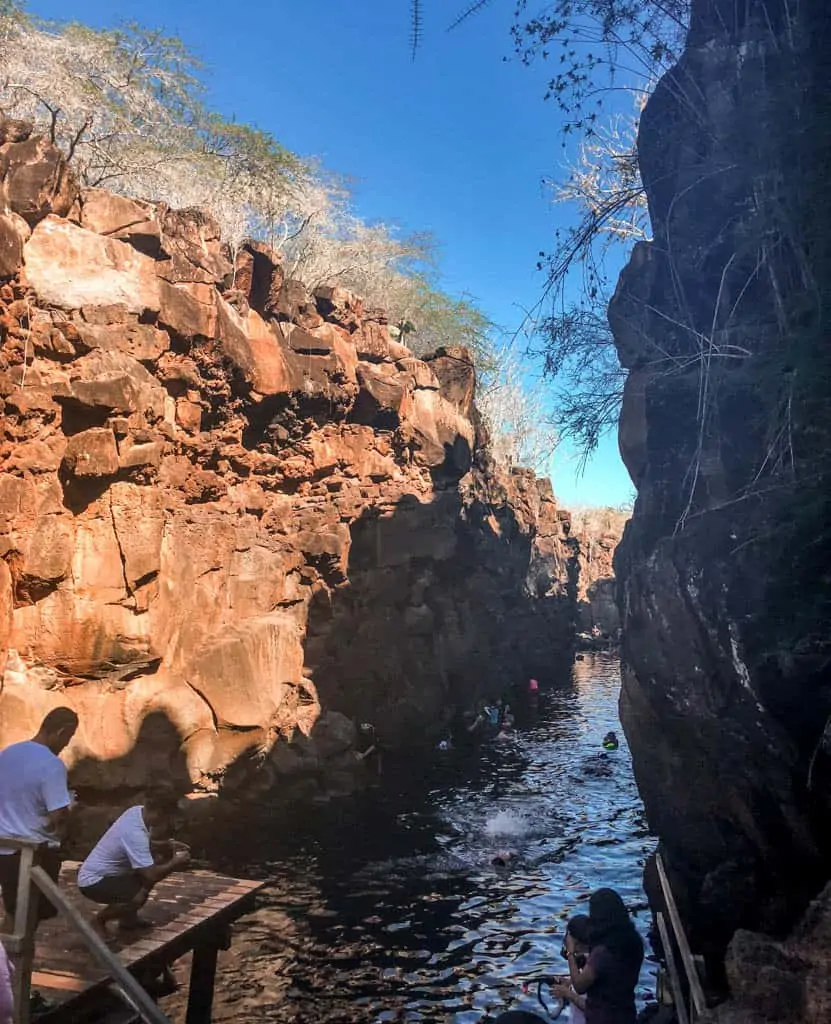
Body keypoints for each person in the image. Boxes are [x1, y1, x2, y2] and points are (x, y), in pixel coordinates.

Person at [0, 707, 79, 934]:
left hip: (4, 846)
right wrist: (70, 808)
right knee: (26, 920)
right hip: (32, 852)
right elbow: (58, 816)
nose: (66, 745)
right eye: (68, 738)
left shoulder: (7, 753)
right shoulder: (51, 764)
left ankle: (6, 964)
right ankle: (14, 967)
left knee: (14, 913)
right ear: (61, 732)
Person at [77, 790, 190, 934]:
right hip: (93, 882)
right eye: (168, 817)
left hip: (111, 874)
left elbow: (140, 847)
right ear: (160, 813)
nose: (168, 822)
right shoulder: (134, 832)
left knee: (152, 866)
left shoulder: (136, 812)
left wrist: (167, 845)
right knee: (137, 896)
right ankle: (99, 920)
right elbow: (151, 875)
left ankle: (128, 919)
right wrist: (175, 862)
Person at [559, 888, 644, 1024]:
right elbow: (610, 978)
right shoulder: (634, 942)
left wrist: (570, 953)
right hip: (627, 1015)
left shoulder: (603, 952)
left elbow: (580, 986)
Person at [552, 914, 592, 1023]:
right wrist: (569, 983)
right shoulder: (586, 962)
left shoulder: (595, 968)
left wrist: (568, 994)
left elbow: (595, 1010)